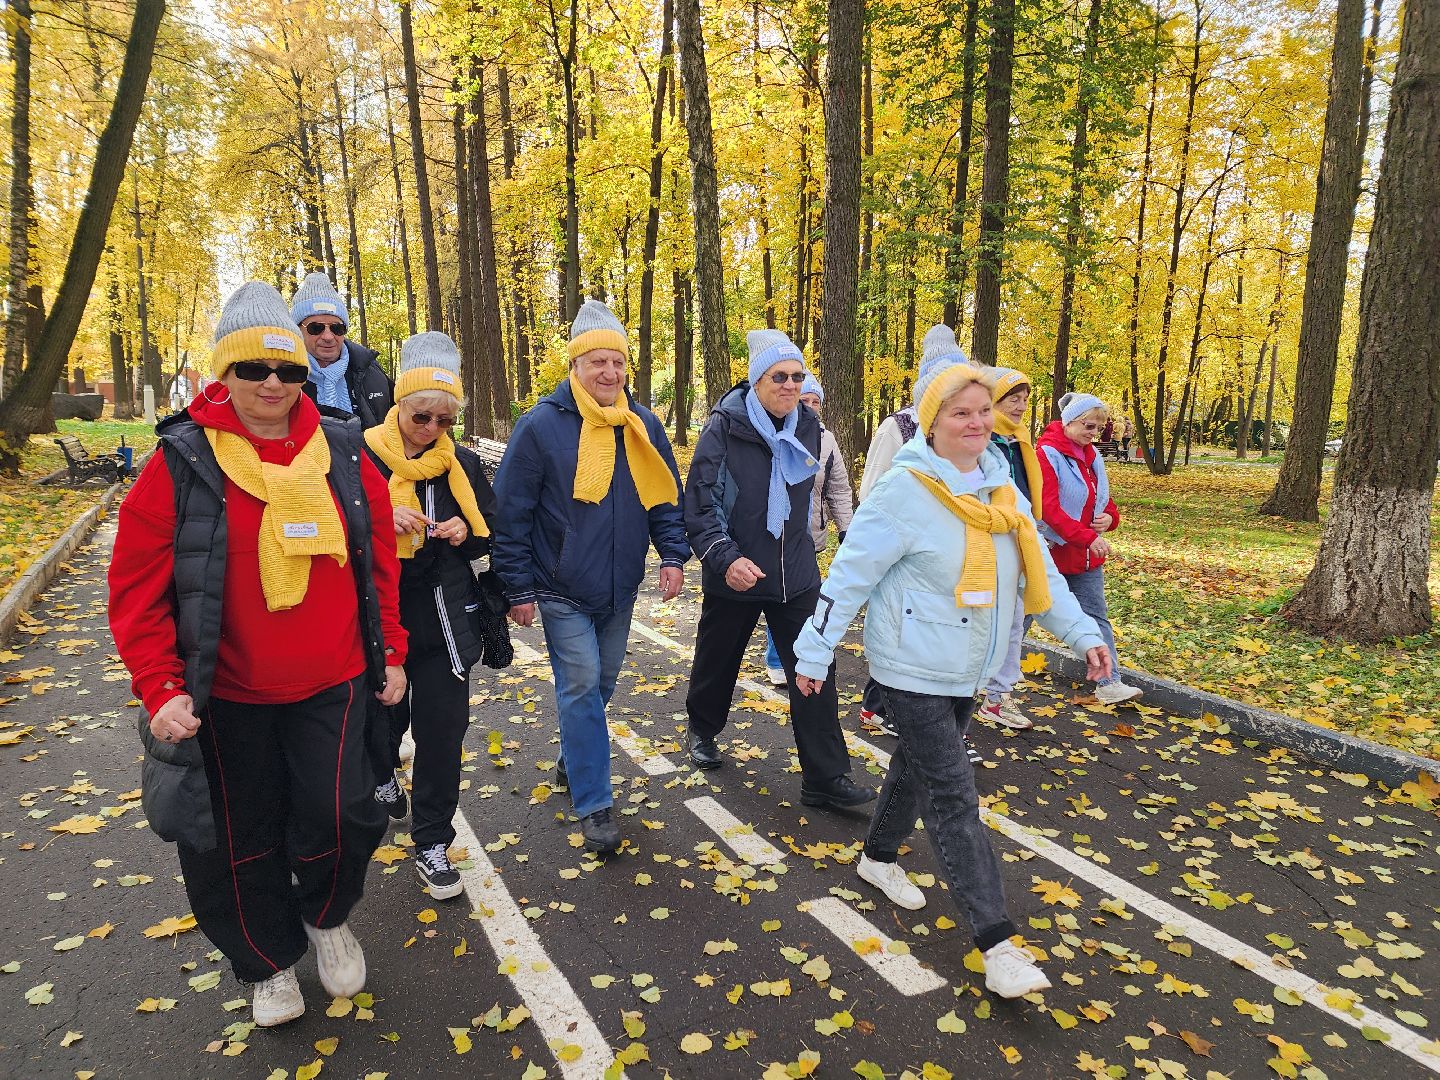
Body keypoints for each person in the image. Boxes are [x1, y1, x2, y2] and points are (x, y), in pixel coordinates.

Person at [109, 282, 408, 1028]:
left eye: (290, 372)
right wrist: (159, 686)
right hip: (227, 696)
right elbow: (135, 587)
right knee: (239, 840)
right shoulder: (181, 460)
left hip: (334, 683)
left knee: (341, 814)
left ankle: (326, 916)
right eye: (254, 371)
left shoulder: (340, 449)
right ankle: (266, 963)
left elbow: (378, 564)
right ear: (225, 374)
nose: (273, 385)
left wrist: (392, 653)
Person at [792, 357, 1110, 999]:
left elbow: (1036, 571)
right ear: (931, 422)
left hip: (970, 665)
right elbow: (850, 574)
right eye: (959, 412)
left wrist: (1084, 636)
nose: (974, 422)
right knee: (953, 792)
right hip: (911, 665)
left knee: (916, 767)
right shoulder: (905, 490)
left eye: (981, 410)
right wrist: (813, 650)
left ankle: (878, 858)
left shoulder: (1001, 490)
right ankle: (996, 943)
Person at [492, 299, 688, 854]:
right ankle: (595, 804)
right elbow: (513, 512)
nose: (610, 373)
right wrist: (518, 587)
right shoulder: (540, 427)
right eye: (597, 362)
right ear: (574, 367)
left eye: (618, 363)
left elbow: (664, 499)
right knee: (580, 685)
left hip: (619, 588)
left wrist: (672, 555)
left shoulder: (642, 424)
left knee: (599, 686)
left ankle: (573, 763)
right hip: (560, 591)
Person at [683, 329, 874, 811]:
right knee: (717, 660)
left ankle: (826, 777)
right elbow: (701, 504)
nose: (790, 385)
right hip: (737, 572)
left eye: (797, 376)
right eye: (779, 376)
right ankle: (703, 729)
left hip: (796, 573)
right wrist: (725, 559)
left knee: (815, 668)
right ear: (756, 380)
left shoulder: (808, 426)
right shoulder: (724, 427)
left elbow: (817, 492)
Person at [362, 331, 498, 900]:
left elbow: (489, 535)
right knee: (384, 715)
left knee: (444, 730)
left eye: (445, 421)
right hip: (376, 614)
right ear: (399, 407)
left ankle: (433, 841)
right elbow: (330, 529)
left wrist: (464, 533)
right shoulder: (359, 453)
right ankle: (383, 773)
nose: (433, 431)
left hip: (444, 616)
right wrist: (380, 518)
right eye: (423, 417)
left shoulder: (459, 463)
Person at [854, 326, 976, 755]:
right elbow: (871, 490)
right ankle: (887, 711)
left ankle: (936, 731)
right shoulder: (897, 427)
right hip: (904, 551)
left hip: (956, 557)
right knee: (904, 632)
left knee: (940, 639)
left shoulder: (974, 430)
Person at [1036, 393, 1143, 705]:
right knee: (1021, 623)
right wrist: (1086, 537)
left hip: (1085, 558)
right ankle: (991, 686)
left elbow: (1102, 501)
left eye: (1098, 428)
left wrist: (1111, 518)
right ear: (1069, 421)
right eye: (1088, 425)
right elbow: (1048, 509)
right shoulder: (1047, 453)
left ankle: (1109, 683)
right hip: (1052, 553)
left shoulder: (1092, 456)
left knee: (1096, 619)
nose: (1093, 433)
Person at [760, 372, 852, 686]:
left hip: (810, 536)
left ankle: (798, 657)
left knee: (801, 601)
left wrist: (846, 529)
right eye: (805, 400)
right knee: (777, 594)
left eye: (816, 401)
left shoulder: (825, 439)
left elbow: (838, 489)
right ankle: (776, 658)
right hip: (774, 534)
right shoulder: (775, 433)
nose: (811, 406)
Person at [975, 368, 1042, 732]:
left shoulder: (1019, 441)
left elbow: (1028, 494)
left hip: (1020, 543)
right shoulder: (981, 441)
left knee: (1014, 623)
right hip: (984, 545)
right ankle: (960, 693)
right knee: (979, 622)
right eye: (1012, 398)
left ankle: (997, 697)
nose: (1020, 406)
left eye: (1024, 399)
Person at [291, 272, 394, 428]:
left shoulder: (370, 371)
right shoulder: (283, 376)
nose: (328, 336)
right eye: (316, 328)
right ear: (297, 331)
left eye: (336, 328)